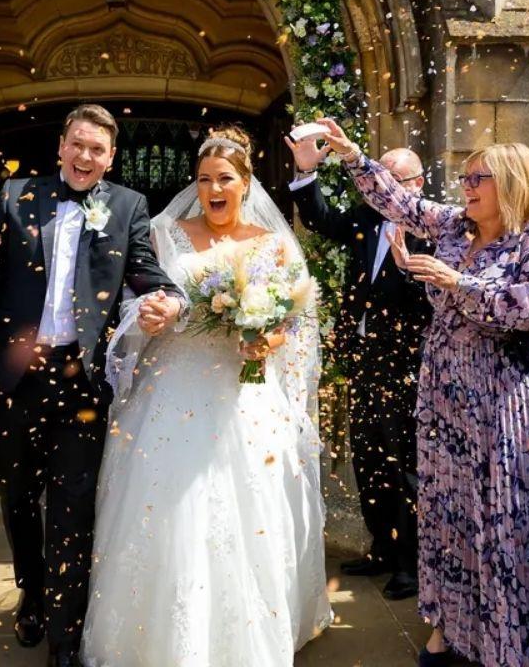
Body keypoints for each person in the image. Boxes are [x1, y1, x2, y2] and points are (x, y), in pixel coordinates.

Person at [318, 120, 529, 666]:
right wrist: (355, 155)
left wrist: (456, 283)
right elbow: (398, 202)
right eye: (465, 177)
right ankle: (450, 632)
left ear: (512, 181)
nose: (467, 187)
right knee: (448, 513)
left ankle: (512, 643)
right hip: (445, 395)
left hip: (502, 401)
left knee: (504, 518)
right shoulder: (453, 226)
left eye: (479, 178)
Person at [81, 127, 332, 666]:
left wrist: (268, 338)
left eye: (225, 179)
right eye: (204, 180)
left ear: (245, 183)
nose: (214, 188)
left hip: (243, 395)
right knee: (165, 503)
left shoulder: (271, 243)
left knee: (249, 506)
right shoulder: (164, 233)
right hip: (172, 386)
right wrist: (147, 315)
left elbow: (295, 318)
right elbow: (136, 297)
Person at [0, 104, 186, 667]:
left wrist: (173, 300)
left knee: (73, 506)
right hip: (12, 378)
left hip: (82, 384)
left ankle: (66, 634)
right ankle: (31, 589)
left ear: (111, 158)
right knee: (17, 499)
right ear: (62, 146)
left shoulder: (128, 206)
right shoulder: (15, 196)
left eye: (98, 149)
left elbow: (145, 274)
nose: (86, 157)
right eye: (78, 145)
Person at [286, 138, 430, 600]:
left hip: (408, 364)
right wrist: (306, 173)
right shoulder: (367, 217)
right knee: (369, 458)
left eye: (391, 179)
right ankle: (382, 546)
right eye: (377, 178)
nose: (380, 188)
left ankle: (411, 561)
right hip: (364, 359)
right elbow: (320, 220)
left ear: (417, 183)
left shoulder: (433, 229)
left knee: (405, 463)